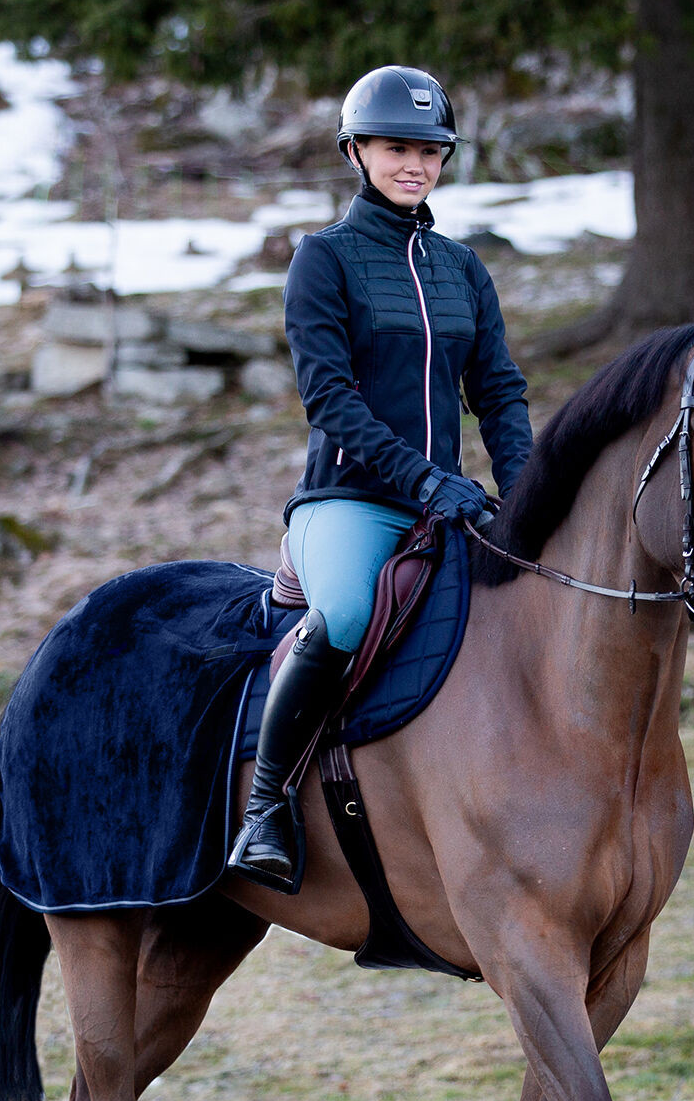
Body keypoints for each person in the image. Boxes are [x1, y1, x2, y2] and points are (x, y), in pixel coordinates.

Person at [228, 64, 533, 890]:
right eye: (399, 148)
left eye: (431, 152)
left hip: (450, 502)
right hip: (350, 500)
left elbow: (499, 392)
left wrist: (531, 494)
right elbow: (329, 397)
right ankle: (265, 804)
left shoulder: (462, 267)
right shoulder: (322, 261)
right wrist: (425, 481)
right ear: (357, 150)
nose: (417, 165)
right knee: (350, 611)